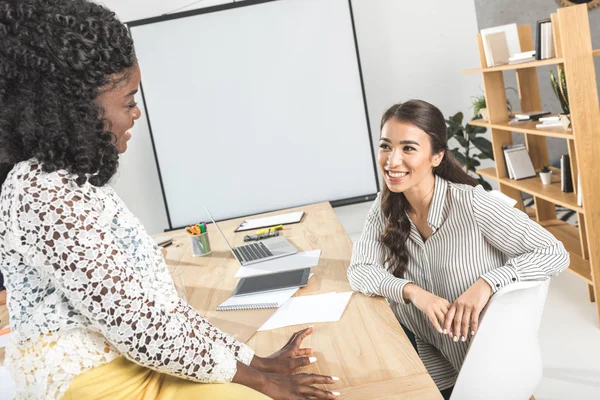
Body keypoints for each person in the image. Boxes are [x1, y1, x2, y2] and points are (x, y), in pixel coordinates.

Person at [0, 1, 339, 399]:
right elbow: (136, 324)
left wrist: (254, 362)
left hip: (131, 359)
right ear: (74, 109)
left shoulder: (76, 185)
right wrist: (261, 381)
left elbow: (160, 310)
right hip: (95, 380)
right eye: (127, 101)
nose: (136, 113)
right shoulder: (42, 191)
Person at [347, 99, 569, 399]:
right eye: (386, 146)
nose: (392, 160)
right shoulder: (385, 205)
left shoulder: (472, 204)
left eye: (408, 148)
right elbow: (360, 271)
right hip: (435, 355)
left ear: (436, 156)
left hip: (488, 371)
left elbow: (554, 252)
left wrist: (488, 282)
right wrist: (413, 292)